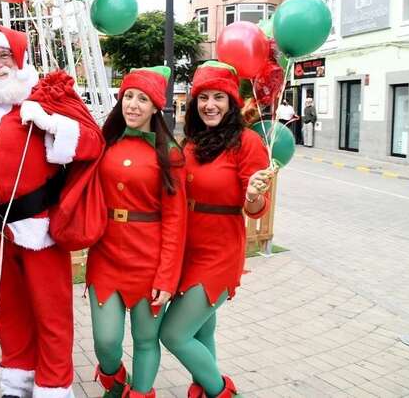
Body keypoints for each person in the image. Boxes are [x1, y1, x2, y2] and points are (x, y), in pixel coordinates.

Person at [0, 25, 104, 397]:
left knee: (51, 313)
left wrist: (51, 123)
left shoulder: (44, 97)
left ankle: (54, 386)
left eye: (4, 57)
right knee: (7, 309)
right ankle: (17, 382)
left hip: (40, 228)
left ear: (20, 59)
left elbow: (93, 140)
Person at [159, 61, 274, 398]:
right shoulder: (192, 143)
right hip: (187, 248)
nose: (210, 105)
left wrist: (253, 194)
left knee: (174, 334)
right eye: (203, 97)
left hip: (219, 252)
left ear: (231, 102)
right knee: (202, 330)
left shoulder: (247, 142)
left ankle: (222, 391)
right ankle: (207, 387)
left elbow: (256, 207)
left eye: (218, 97)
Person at [86, 66, 187, 398]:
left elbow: (175, 220)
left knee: (145, 340)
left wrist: (167, 277)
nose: (132, 104)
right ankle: (115, 381)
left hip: (149, 261)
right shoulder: (104, 143)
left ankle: (140, 393)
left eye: (142, 99)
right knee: (105, 341)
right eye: (128, 96)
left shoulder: (169, 153)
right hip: (105, 256)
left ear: (156, 106)